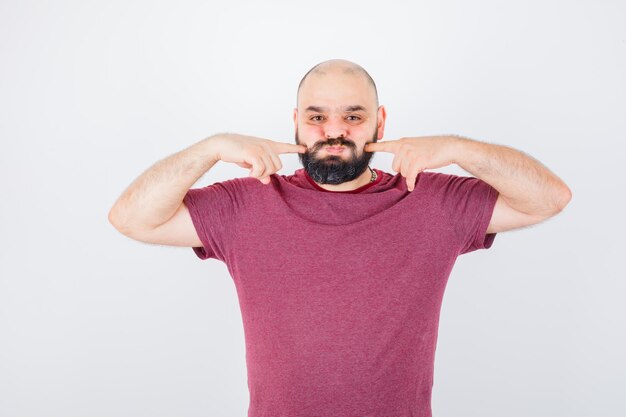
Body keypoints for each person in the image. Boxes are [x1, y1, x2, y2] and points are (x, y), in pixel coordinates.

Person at [108, 59, 572, 416]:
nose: (334, 132)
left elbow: (547, 198)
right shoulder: (247, 203)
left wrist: (455, 148)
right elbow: (133, 218)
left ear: (380, 123)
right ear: (294, 121)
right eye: (317, 117)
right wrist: (209, 148)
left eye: (353, 116)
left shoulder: (431, 199)